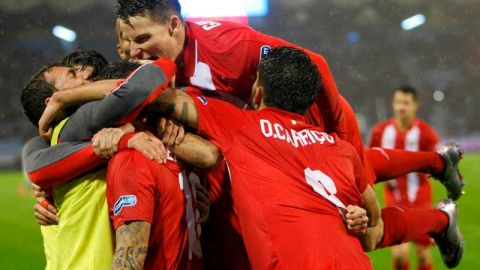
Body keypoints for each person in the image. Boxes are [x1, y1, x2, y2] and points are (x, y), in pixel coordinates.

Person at [39, 47, 464, 269]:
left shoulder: (238, 126)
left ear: (257, 93)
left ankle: (441, 203)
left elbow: (154, 87)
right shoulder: (340, 149)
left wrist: (69, 98)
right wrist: (358, 217)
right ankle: (441, 210)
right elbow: (371, 233)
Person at [112, 0, 463, 203]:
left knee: (355, 216)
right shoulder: (168, 61)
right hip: (264, 130)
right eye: (130, 43)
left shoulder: (226, 46)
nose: (135, 52)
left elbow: (315, 63)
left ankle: (435, 219)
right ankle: (437, 161)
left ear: (175, 25)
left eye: (143, 39)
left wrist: (345, 149)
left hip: (308, 119)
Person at [22, 57, 215, 269]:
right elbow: (139, 87)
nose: (86, 78)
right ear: (52, 101)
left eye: (93, 79)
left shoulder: (54, 143)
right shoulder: (83, 121)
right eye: (73, 75)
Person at [369, 86, 440, 270]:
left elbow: (437, 164)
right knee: (400, 255)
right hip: (394, 199)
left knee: (424, 255)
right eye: (398, 102)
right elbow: (369, 162)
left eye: (406, 103)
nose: (401, 107)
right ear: (393, 103)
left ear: (415, 105)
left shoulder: (426, 133)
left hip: (420, 199)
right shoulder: (379, 132)